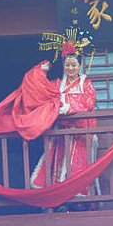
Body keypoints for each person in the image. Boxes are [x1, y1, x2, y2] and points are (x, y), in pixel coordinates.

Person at [30, 45, 100, 209]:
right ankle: (58, 203)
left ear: (79, 66)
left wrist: (68, 106)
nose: (70, 68)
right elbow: (41, 92)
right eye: (67, 65)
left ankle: (79, 205)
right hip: (60, 134)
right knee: (57, 168)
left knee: (77, 169)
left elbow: (89, 103)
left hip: (80, 135)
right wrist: (40, 72)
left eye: (74, 65)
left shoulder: (86, 84)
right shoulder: (57, 84)